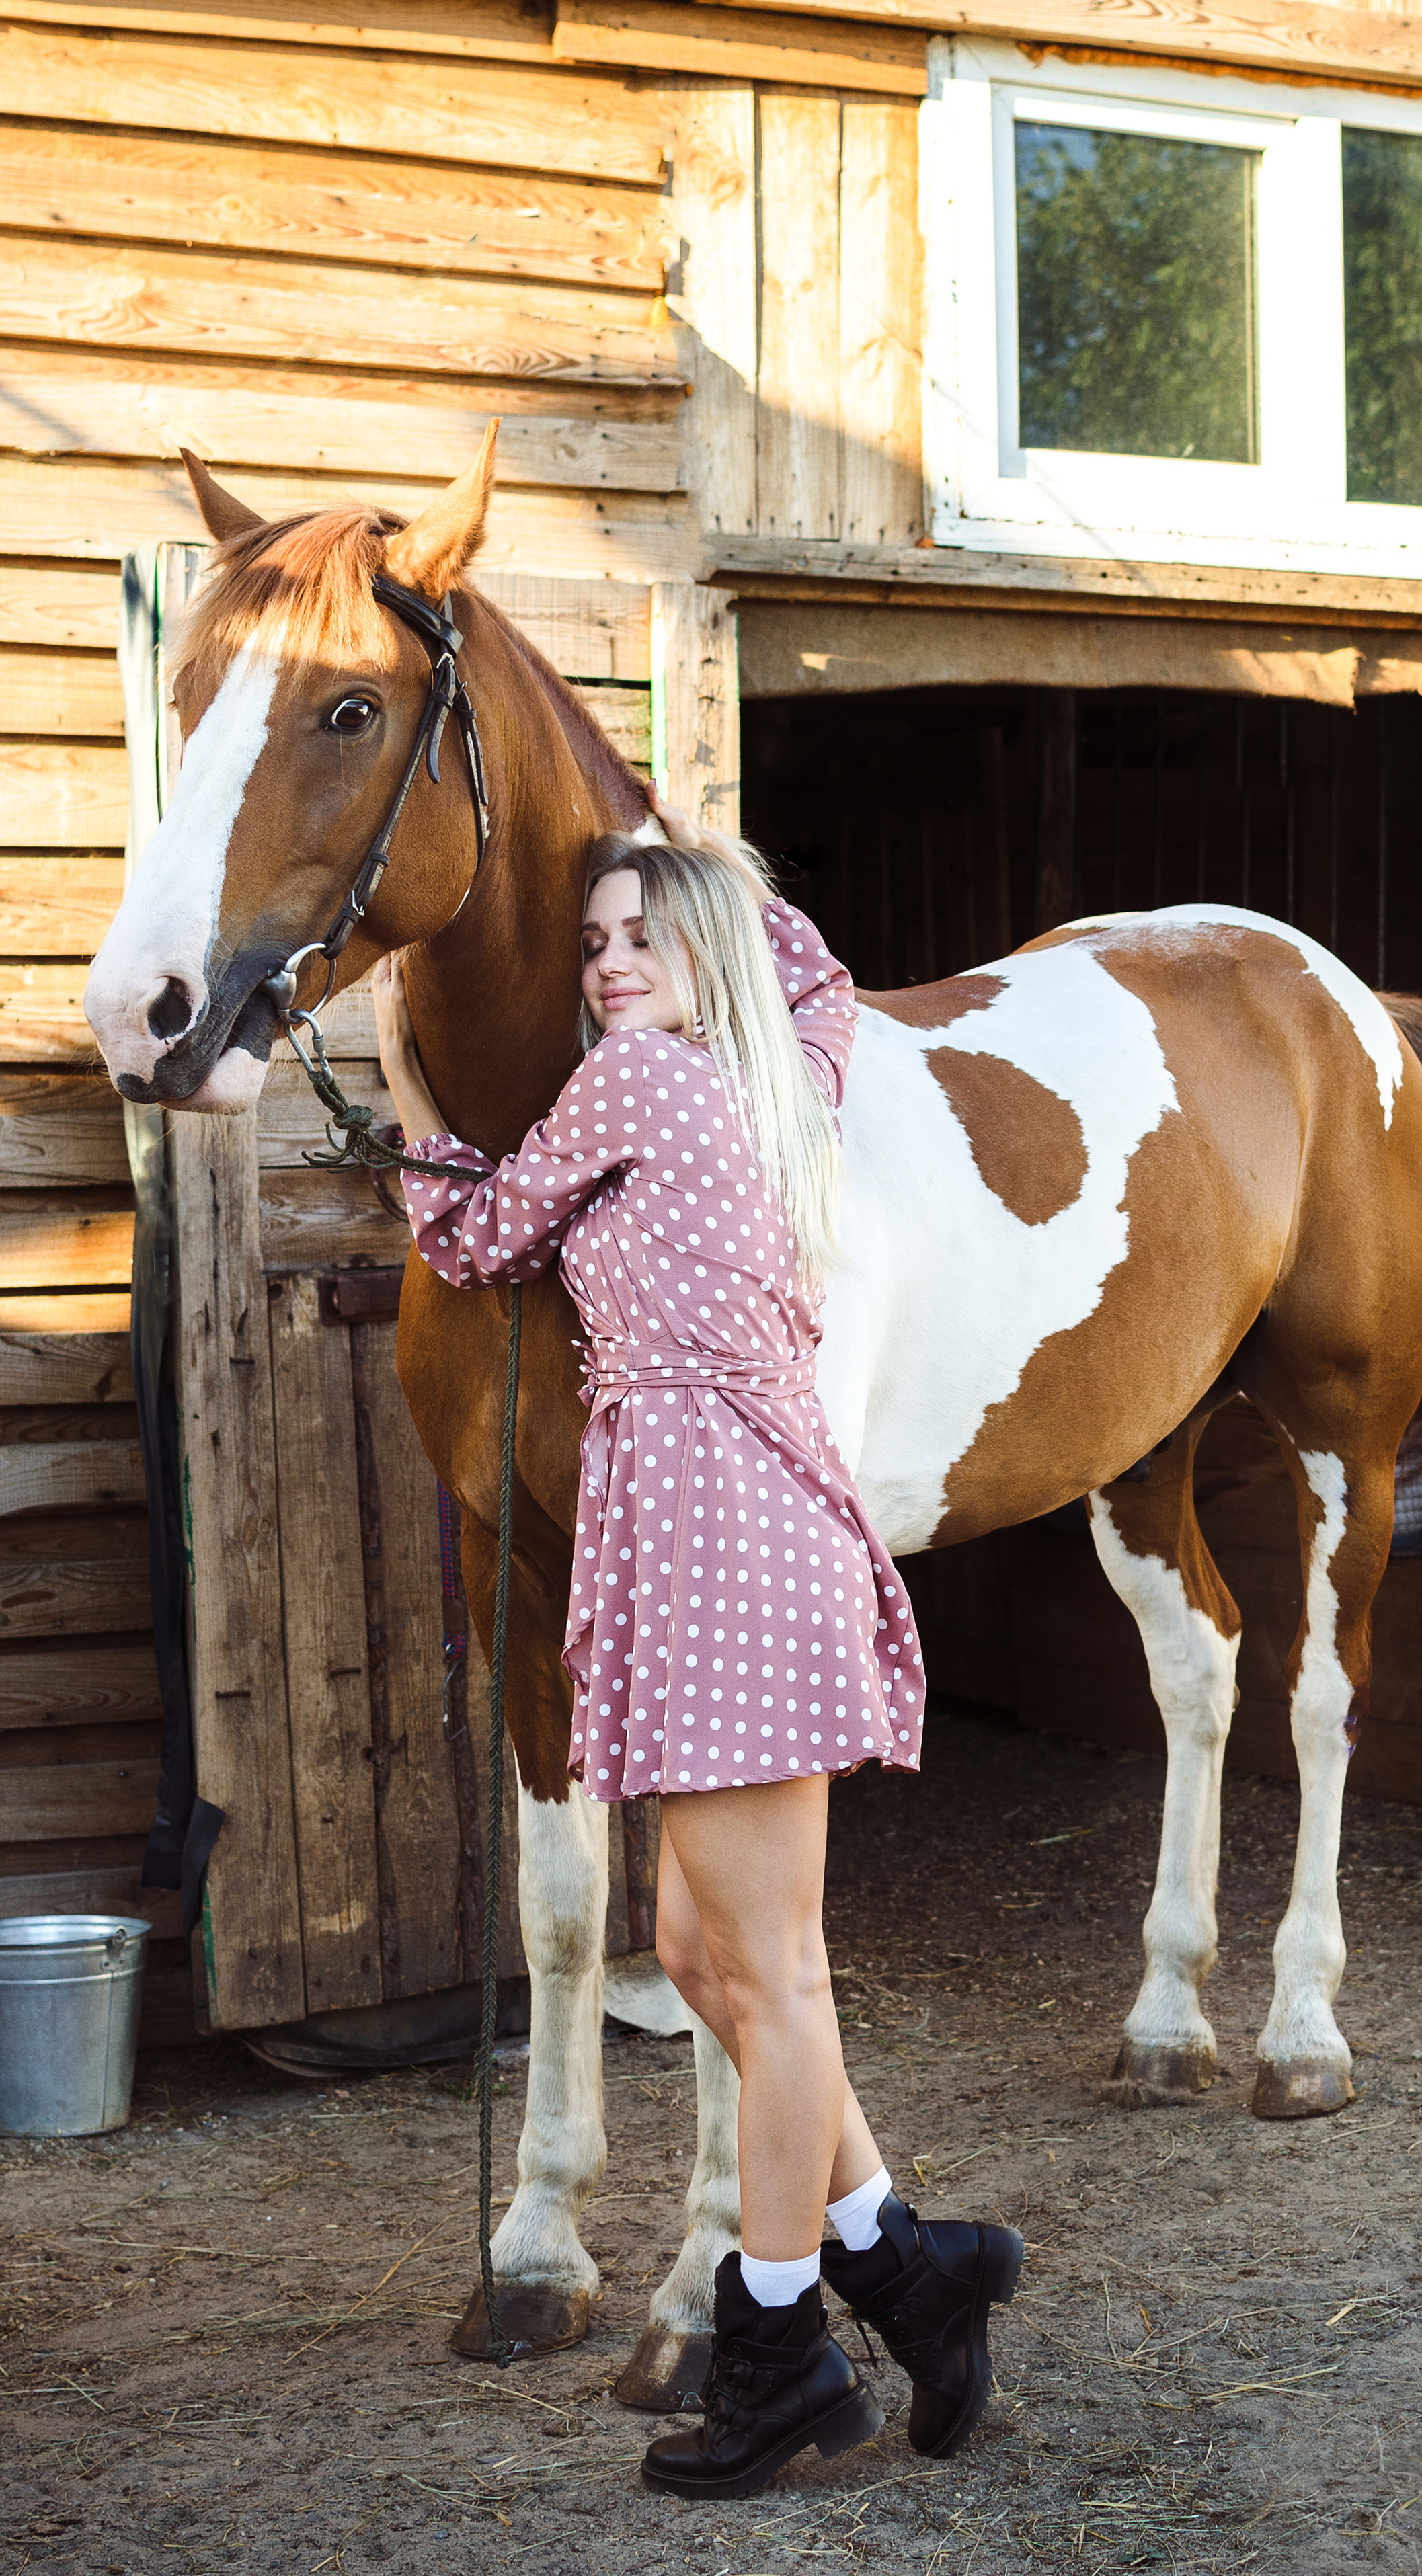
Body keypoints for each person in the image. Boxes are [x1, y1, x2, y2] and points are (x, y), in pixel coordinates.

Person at [374, 793, 1022, 2502]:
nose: (604, 968)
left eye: (640, 938)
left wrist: (404, 1086)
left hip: (724, 1539)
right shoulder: (786, 1071)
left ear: (704, 955)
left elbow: (479, 1232)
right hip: (720, 1533)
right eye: (590, 942)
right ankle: (901, 2262)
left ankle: (782, 2357)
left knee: (773, 1973)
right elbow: (809, 973)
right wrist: (662, 840)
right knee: (710, 1955)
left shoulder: (652, 1079)